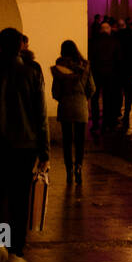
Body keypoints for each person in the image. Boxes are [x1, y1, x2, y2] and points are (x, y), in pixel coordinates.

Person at [0, 27, 50, 262]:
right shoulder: (31, 72)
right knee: (18, 200)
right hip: (24, 146)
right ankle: (15, 252)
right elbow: (41, 115)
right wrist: (44, 151)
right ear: (21, 46)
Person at [50, 40, 95, 185]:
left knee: (67, 140)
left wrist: (63, 98)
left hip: (65, 106)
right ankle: (79, 167)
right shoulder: (85, 65)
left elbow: (55, 91)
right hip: (81, 105)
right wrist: (83, 97)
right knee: (80, 140)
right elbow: (92, 88)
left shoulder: (59, 67)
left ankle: (69, 169)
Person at [88, 21, 122, 132]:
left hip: (96, 73)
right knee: (109, 98)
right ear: (109, 30)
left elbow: (91, 58)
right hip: (110, 74)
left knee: (95, 99)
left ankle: (95, 122)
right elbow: (118, 59)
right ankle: (108, 121)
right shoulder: (115, 42)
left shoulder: (93, 42)